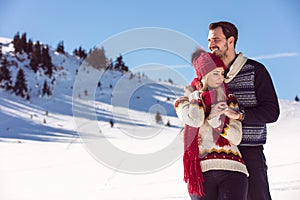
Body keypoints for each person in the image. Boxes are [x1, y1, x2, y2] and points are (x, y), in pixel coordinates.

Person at [206, 21, 280, 200]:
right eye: (209, 40)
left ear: (230, 41)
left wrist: (240, 115)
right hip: (218, 156)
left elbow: (272, 112)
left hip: (249, 152)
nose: (211, 45)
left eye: (216, 39)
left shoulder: (255, 70)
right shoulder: (208, 74)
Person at [174, 52, 249, 200]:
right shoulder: (183, 102)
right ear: (203, 75)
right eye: (216, 73)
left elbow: (236, 137)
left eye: (222, 73)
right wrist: (194, 96)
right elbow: (194, 120)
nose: (221, 77)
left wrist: (216, 120)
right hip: (201, 172)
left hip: (233, 169)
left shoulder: (229, 101)